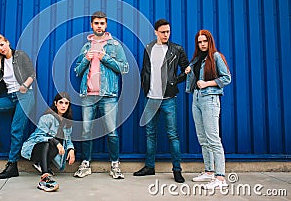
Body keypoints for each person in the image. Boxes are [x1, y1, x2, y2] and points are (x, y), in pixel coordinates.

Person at [73, 11, 129, 179]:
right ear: (92, 25)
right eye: (96, 23)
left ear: (106, 25)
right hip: (88, 95)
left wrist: (106, 59)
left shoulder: (115, 46)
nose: (99, 26)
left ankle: (115, 164)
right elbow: (77, 71)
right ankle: (86, 164)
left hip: (108, 95)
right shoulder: (85, 47)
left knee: (111, 131)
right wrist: (85, 59)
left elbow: (124, 68)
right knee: (86, 132)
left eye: (102, 23)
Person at [133, 19, 189, 183]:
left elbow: (187, 69)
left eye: (168, 31)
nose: (166, 34)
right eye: (163, 32)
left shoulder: (177, 49)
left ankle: (177, 170)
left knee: (173, 135)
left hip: (168, 99)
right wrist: (145, 88)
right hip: (151, 99)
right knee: (150, 134)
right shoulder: (149, 48)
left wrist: (174, 81)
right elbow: (145, 70)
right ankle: (150, 167)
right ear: (156, 32)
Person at [0, 34, 35, 179]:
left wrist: (24, 85)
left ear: (7, 43)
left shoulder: (20, 55)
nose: (1, 49)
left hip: (25, 96)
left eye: (2, 45)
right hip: (10, 97)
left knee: (16, 129)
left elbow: (32, 74)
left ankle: (12, 165)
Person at [185, 29, 231, 190]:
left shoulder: (216, 57)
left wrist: (207, 83)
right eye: (199, 42)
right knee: (202, 137)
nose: (202, 44)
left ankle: (220, 177)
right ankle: (209, 171)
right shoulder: (197, 59)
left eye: (205, 41)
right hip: (196, 98)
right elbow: (195, 77)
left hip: (210, 98)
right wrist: (189, 72)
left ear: (210, 41)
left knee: (213, 138)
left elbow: (227, 78)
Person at [21, 92, 75, 192]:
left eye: (66, 103)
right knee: (48, 142)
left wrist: (71, 149)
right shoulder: (47, 117)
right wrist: (55, 142)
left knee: (56, 142)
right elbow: (38, 137)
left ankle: (42, 165)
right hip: (35, 149)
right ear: (55, 103)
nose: (63, 106)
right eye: (61, 102)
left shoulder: (67, 122)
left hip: (49, 152)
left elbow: (68, 140)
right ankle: (44, 178)